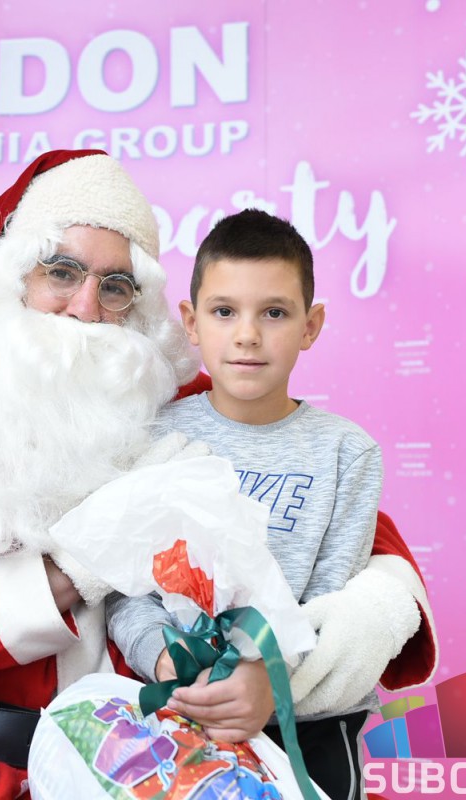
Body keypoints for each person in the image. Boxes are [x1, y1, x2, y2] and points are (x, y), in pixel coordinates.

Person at [0, 151, 437, 800]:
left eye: (115, 286)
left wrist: (307, 659)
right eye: (61, 272)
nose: (85, 308)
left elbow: (371, 561)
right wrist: (78, 565)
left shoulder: (181, 410)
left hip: (165, 752)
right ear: (9, 280)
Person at [107, 208, 407, 799]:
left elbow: (333, 607)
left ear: (310, 326)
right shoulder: (154, 438)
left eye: (274, 312)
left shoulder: (347, 453)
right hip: (183, 709)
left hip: (308, 725)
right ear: (191, 322)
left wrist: (269, 679)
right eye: (224, 311)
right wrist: (164, 658)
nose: (247, 334)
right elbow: (125, 586)